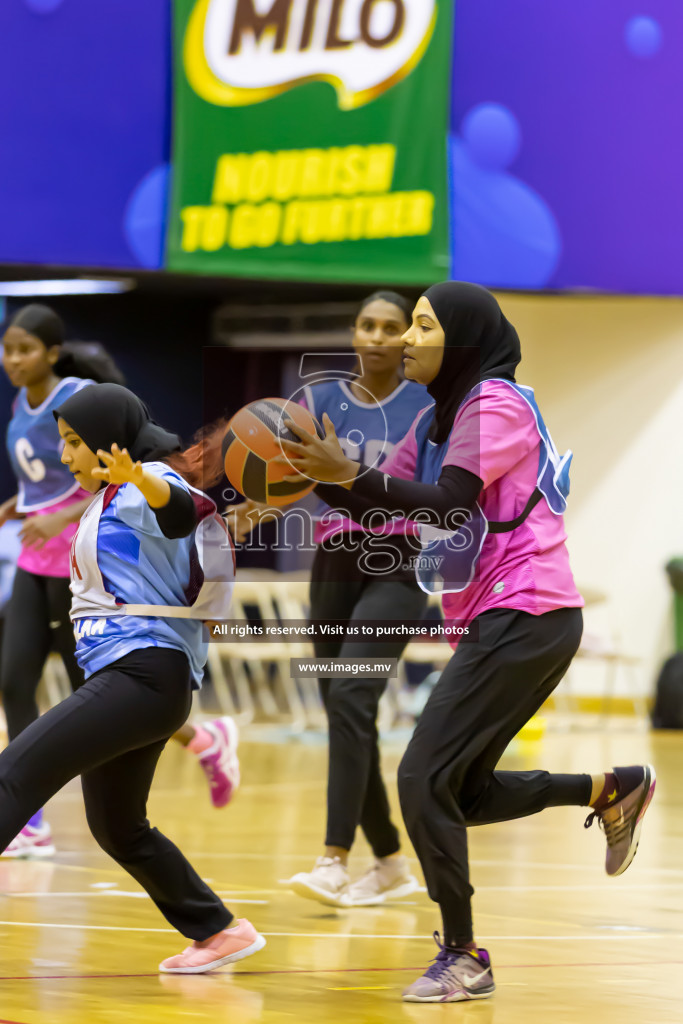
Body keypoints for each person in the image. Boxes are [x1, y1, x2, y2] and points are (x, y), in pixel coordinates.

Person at [278, 281, 655, 1002]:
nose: (406, 339)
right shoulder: (439, 417)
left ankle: (462, 955)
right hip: (501, 618)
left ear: (463, 338)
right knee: (463, 793)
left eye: (422, 325)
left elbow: (448, 503)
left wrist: (345, 475)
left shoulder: (494, 402)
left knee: (419, 779)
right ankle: (611, 789)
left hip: (529, 613)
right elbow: (379, 506)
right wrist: (310, 478)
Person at [0, 382, 264, 973]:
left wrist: (142, 477)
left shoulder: (152, 484)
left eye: (73, 443)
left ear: (108, 445)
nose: (65, 456)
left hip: (142, 674)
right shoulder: (111, 494)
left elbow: (182, 513)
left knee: (12, 775)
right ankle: (219, 930)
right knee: (118, 826)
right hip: (143, 681)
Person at [0, 306, 238, 861]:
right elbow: (45, 482)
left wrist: (64, 515)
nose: (12, 359)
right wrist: (14, 507)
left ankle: (201, 739)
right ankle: (27, 815)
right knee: (16, 679)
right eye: (7, 349)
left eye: (24, 348)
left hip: (93, 573)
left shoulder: (86, 400)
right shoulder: (21, 408)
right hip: (41, 562)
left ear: (52, 353)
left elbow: (158, 497)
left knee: (102, 688)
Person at [231, 291, 429, 907]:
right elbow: (297, 474)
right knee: (346, 709)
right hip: (334, 560)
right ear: (354, 332)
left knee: (348, 692)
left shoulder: (430, 405)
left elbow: (426, 490)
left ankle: (334, 857)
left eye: (389, 327)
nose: (375, 335)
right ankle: (391, 862)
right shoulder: (320, 401)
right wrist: (262, 505)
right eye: (366, 324)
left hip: (398, 563)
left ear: (405, 339)